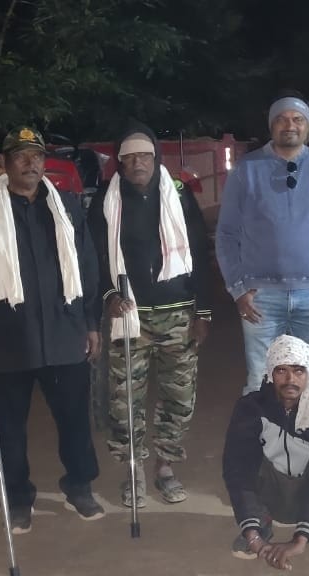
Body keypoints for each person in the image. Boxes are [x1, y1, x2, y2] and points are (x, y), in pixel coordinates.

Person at [0, 126, 105, 533]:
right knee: (9, 428)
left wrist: (91, 323)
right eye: (20, 156)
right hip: (9, 336)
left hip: (65, 333)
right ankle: (18, 498)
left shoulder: (66, 206)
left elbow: (87, 265)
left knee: (75, 420)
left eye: (37, 156)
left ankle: (79, 486)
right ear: (3, 163)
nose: (31, 163)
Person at [87, 121, 213, 507]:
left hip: (178, 314)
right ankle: (133, 471)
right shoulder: (106, 200)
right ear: (120, 162)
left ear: (156, 158)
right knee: (125, 402)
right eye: (130, 157)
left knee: (179, 398)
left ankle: (165, 467)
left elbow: (200, 251)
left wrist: (204, 311)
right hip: (129, 317)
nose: (138, 162)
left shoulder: (179, 194)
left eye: (145, 155)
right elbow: (93, 257)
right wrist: (109, 295)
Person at [216, 92, 309, 394]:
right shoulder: (246, 169)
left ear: (307, 126)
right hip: (261, 298)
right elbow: (226, 234)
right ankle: (263, 427)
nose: (290, 125)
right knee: (260, 380)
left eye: (297, 119)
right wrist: (237, 288)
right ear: (271, 125)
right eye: (281, 119)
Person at [222, 335, 309, 569]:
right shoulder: (250, 407)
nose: (290, 380)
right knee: (242, 461)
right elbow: (237, 469)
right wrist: (252, 535)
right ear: (270, 373)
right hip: (271, 489)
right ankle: (260, 520)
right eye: (282, 370)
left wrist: (300, 539)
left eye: (299, 371)